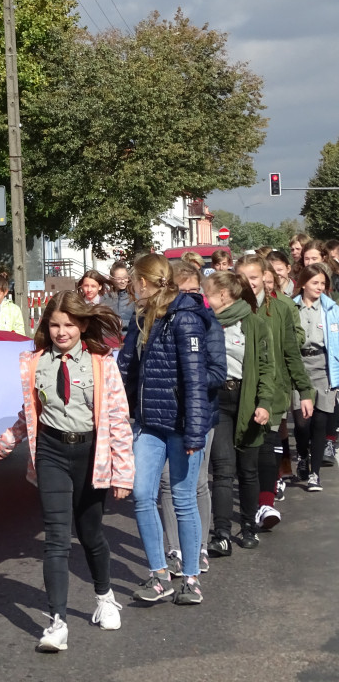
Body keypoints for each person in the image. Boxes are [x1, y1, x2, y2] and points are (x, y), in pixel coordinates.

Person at [0, 291, 134, 652]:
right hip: (52, 452)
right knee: (56, 537)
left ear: (83, 325)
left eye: (69, 324)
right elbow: (31, 410)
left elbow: (117, 418)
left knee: (90, 534)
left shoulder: (102, 362)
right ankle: (57, 623)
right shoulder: (34, 362)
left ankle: (104, 597)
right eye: (54, 324)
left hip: (91, 455)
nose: (61, 331)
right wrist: (10, 437)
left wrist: (122, 473)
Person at [117, 254, 212, 606]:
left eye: (132, 283)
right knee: (143, 496)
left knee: (183, 500)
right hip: (148, 425)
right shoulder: (140, 317)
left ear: (144, 282)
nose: (130, 290)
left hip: (181, 426)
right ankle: (159, 575)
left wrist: (195, 433)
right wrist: (118, 415)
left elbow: (196, 381)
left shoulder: (186, 318)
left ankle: (190, 578)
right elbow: (127, 369)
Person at [235, 254, 314, 534]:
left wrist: (304, 390)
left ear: (266, 281)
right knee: (247, 454)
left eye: (254, 277)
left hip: (274, 388)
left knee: (267, 448)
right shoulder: (230, 309)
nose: (249, 283)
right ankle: (251, 503)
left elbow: (291, 352)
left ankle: (265, 504)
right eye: (244, 278)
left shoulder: (280, 308)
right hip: (240, 392)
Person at [159, 260, 225, 575]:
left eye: (193, 292)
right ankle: (174, 550)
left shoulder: (209, 322)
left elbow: (218, 372)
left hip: (201, 413)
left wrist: (189, 377)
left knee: (197, 483)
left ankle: (197, 547)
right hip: (166, 416)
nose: (188, 299)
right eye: (181, 292)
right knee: (167, 484)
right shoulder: (159, 321)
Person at [201, 271, 275, 552]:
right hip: (217, 399)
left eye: (207, 294)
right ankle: (221, 533)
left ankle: (247, 527)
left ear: (223, 295)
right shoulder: (207, 324)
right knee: (221, 469)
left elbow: (268, 368)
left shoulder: (255, 325)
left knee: (247, 469)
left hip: (247, 400)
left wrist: (264, 403)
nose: (204, 300)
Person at [290, 263, 339, 491]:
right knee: (302, 422)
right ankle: (302, 455)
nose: (320, 287)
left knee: (320, 421)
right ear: (303, 284)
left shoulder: (331, 309)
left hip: (324, 367)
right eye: (315, 282)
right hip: (298, 366)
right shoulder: (291, 308)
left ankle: (314, 473)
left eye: (323, 283)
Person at [105, 261, 134, 336]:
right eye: (119, 279)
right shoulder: (106, 298)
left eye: (125, 278)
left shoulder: (136, 297)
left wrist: (123, 323)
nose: (123, 281)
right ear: (112, 279)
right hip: (112, 339)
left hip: (130, 338)